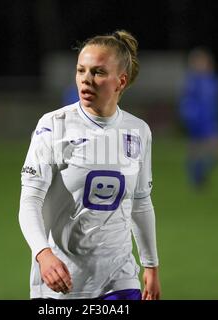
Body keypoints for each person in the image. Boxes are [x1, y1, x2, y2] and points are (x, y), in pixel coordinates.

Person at [18, 30, 161, 300]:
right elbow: (29, 202)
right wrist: (43, 254)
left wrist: (151, 265)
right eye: (80, 70)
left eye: (97, 72)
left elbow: (141, 203)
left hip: (120, 279)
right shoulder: (53, 126)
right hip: (62, 281)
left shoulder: (138, 131)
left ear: (121, 81)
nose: (85, 79)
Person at [179, 47, 218, 190]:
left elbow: (215, 102)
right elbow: (186, 101)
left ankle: (198, 176)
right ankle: (197, 178)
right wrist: (190, 116)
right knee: (199, 150)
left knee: (214, 150)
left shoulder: (213, 80)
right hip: (198, 121)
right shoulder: (193, 81)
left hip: (210, 120)